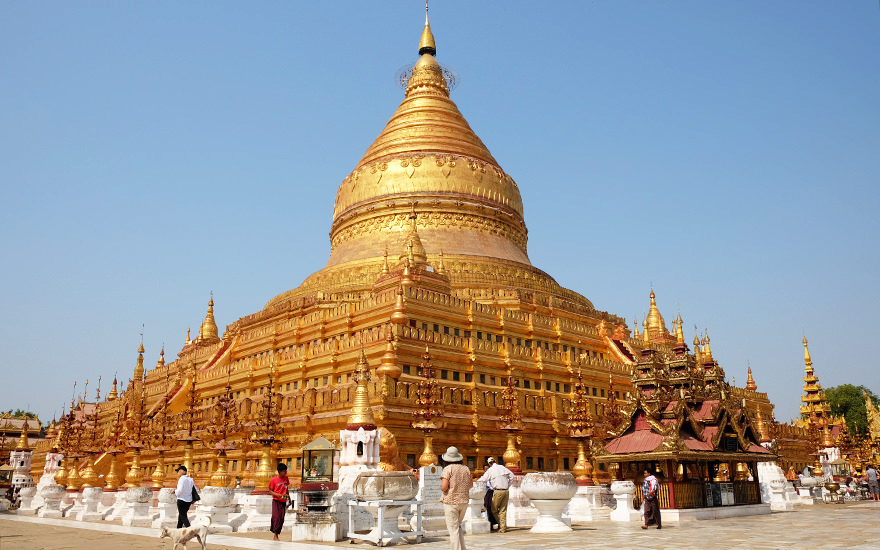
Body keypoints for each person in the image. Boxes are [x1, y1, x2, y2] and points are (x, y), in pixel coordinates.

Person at [440, 446, 473, 550]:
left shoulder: (448, 469)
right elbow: (471, 485)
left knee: (453, 530)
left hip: (451, 501)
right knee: (458, 527)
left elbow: (444, 487)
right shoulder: (466, 468)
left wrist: (449, 488)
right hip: (464, 501)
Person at [477, 456, 513, 533]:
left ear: (489, 463)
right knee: (503, 510)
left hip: (498, 491)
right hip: (506, 491)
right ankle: (503, 527)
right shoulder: (502, 467)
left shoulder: (490, 470)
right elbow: (512, 476)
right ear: (495, 461)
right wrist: (508, 485)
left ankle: (502, 525)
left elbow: (484, 479)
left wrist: (476, 482)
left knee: (493, 509)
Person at [269, 462, 290, 540]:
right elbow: (270, 491)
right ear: (280, 471)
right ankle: (275, 535)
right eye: (284, 471)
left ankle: (277, 533)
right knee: (276, 517)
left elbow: (286, 489)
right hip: (276, 501)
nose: (286, 472)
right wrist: (277, 494)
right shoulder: (273, 480)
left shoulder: (286, 479)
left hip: (283, 501)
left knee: (281, 518)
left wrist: (289, 499)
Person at [481, 461, 497, 530]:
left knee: (493, 508)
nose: (487, 470)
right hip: (487, 492)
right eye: (485, 469)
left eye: (488, 468)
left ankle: (495, 522)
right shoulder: (484, 476)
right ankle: (490, 523)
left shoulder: (493, 475)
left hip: (493, 491)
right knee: (487, 507)